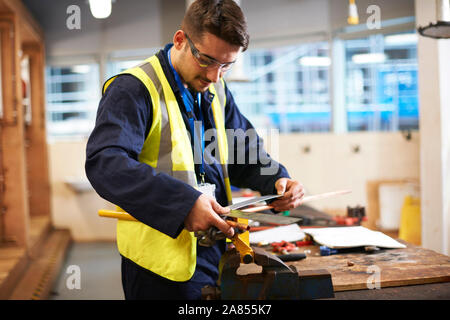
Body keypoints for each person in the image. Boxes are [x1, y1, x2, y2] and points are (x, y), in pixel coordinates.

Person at [85, 0, 305, 300]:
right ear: (180, 40)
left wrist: (276, 180)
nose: (215, 75)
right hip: (158, 267)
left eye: (227, 65)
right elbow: (105, 163)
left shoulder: (216, 88)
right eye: (207, 60)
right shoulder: (133, 89)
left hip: (215, 251)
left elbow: (242, 152)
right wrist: (183, 204)